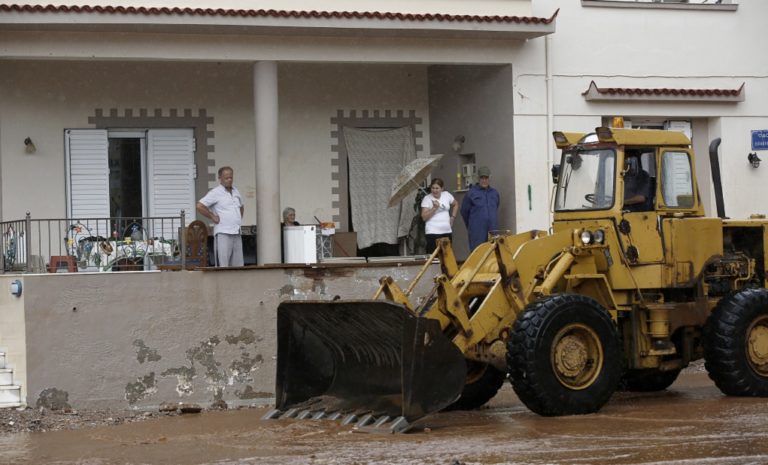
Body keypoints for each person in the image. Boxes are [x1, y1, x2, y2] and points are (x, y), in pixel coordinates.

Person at [196, 166, 244, 267]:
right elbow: (200, 206)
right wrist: (212, 216)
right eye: (226, 178)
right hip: (223, 233)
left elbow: (241, 206)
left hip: (236, 232)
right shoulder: (215, 192)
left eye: (231, 177)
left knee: (238, 266)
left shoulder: (236, 191)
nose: (229, 180)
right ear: (220, 178)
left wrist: (237, 219)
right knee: (223, 266)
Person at [460, 166, 500, 251]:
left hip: (492, 229)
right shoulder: (471, 193)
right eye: (482, 178)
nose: (484, 180)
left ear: (489, 178)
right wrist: (472, 225)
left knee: (492, 252)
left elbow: (496, 207)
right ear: (478, 178)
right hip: (477, 229)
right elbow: (464, 211)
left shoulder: (494, 193)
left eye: (486, 178)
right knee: (477, 252)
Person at [420, 178, 458, 253]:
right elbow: (424, 217)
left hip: (446, 231)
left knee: (447, 257)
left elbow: (456, 204)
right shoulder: (427, 199)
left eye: (437, 188)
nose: (434, 190)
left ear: (442, 189)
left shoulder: (447, 195)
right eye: (433, 188)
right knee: (434, 258)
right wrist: (434, 208)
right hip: (432, 233)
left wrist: (453, 217)